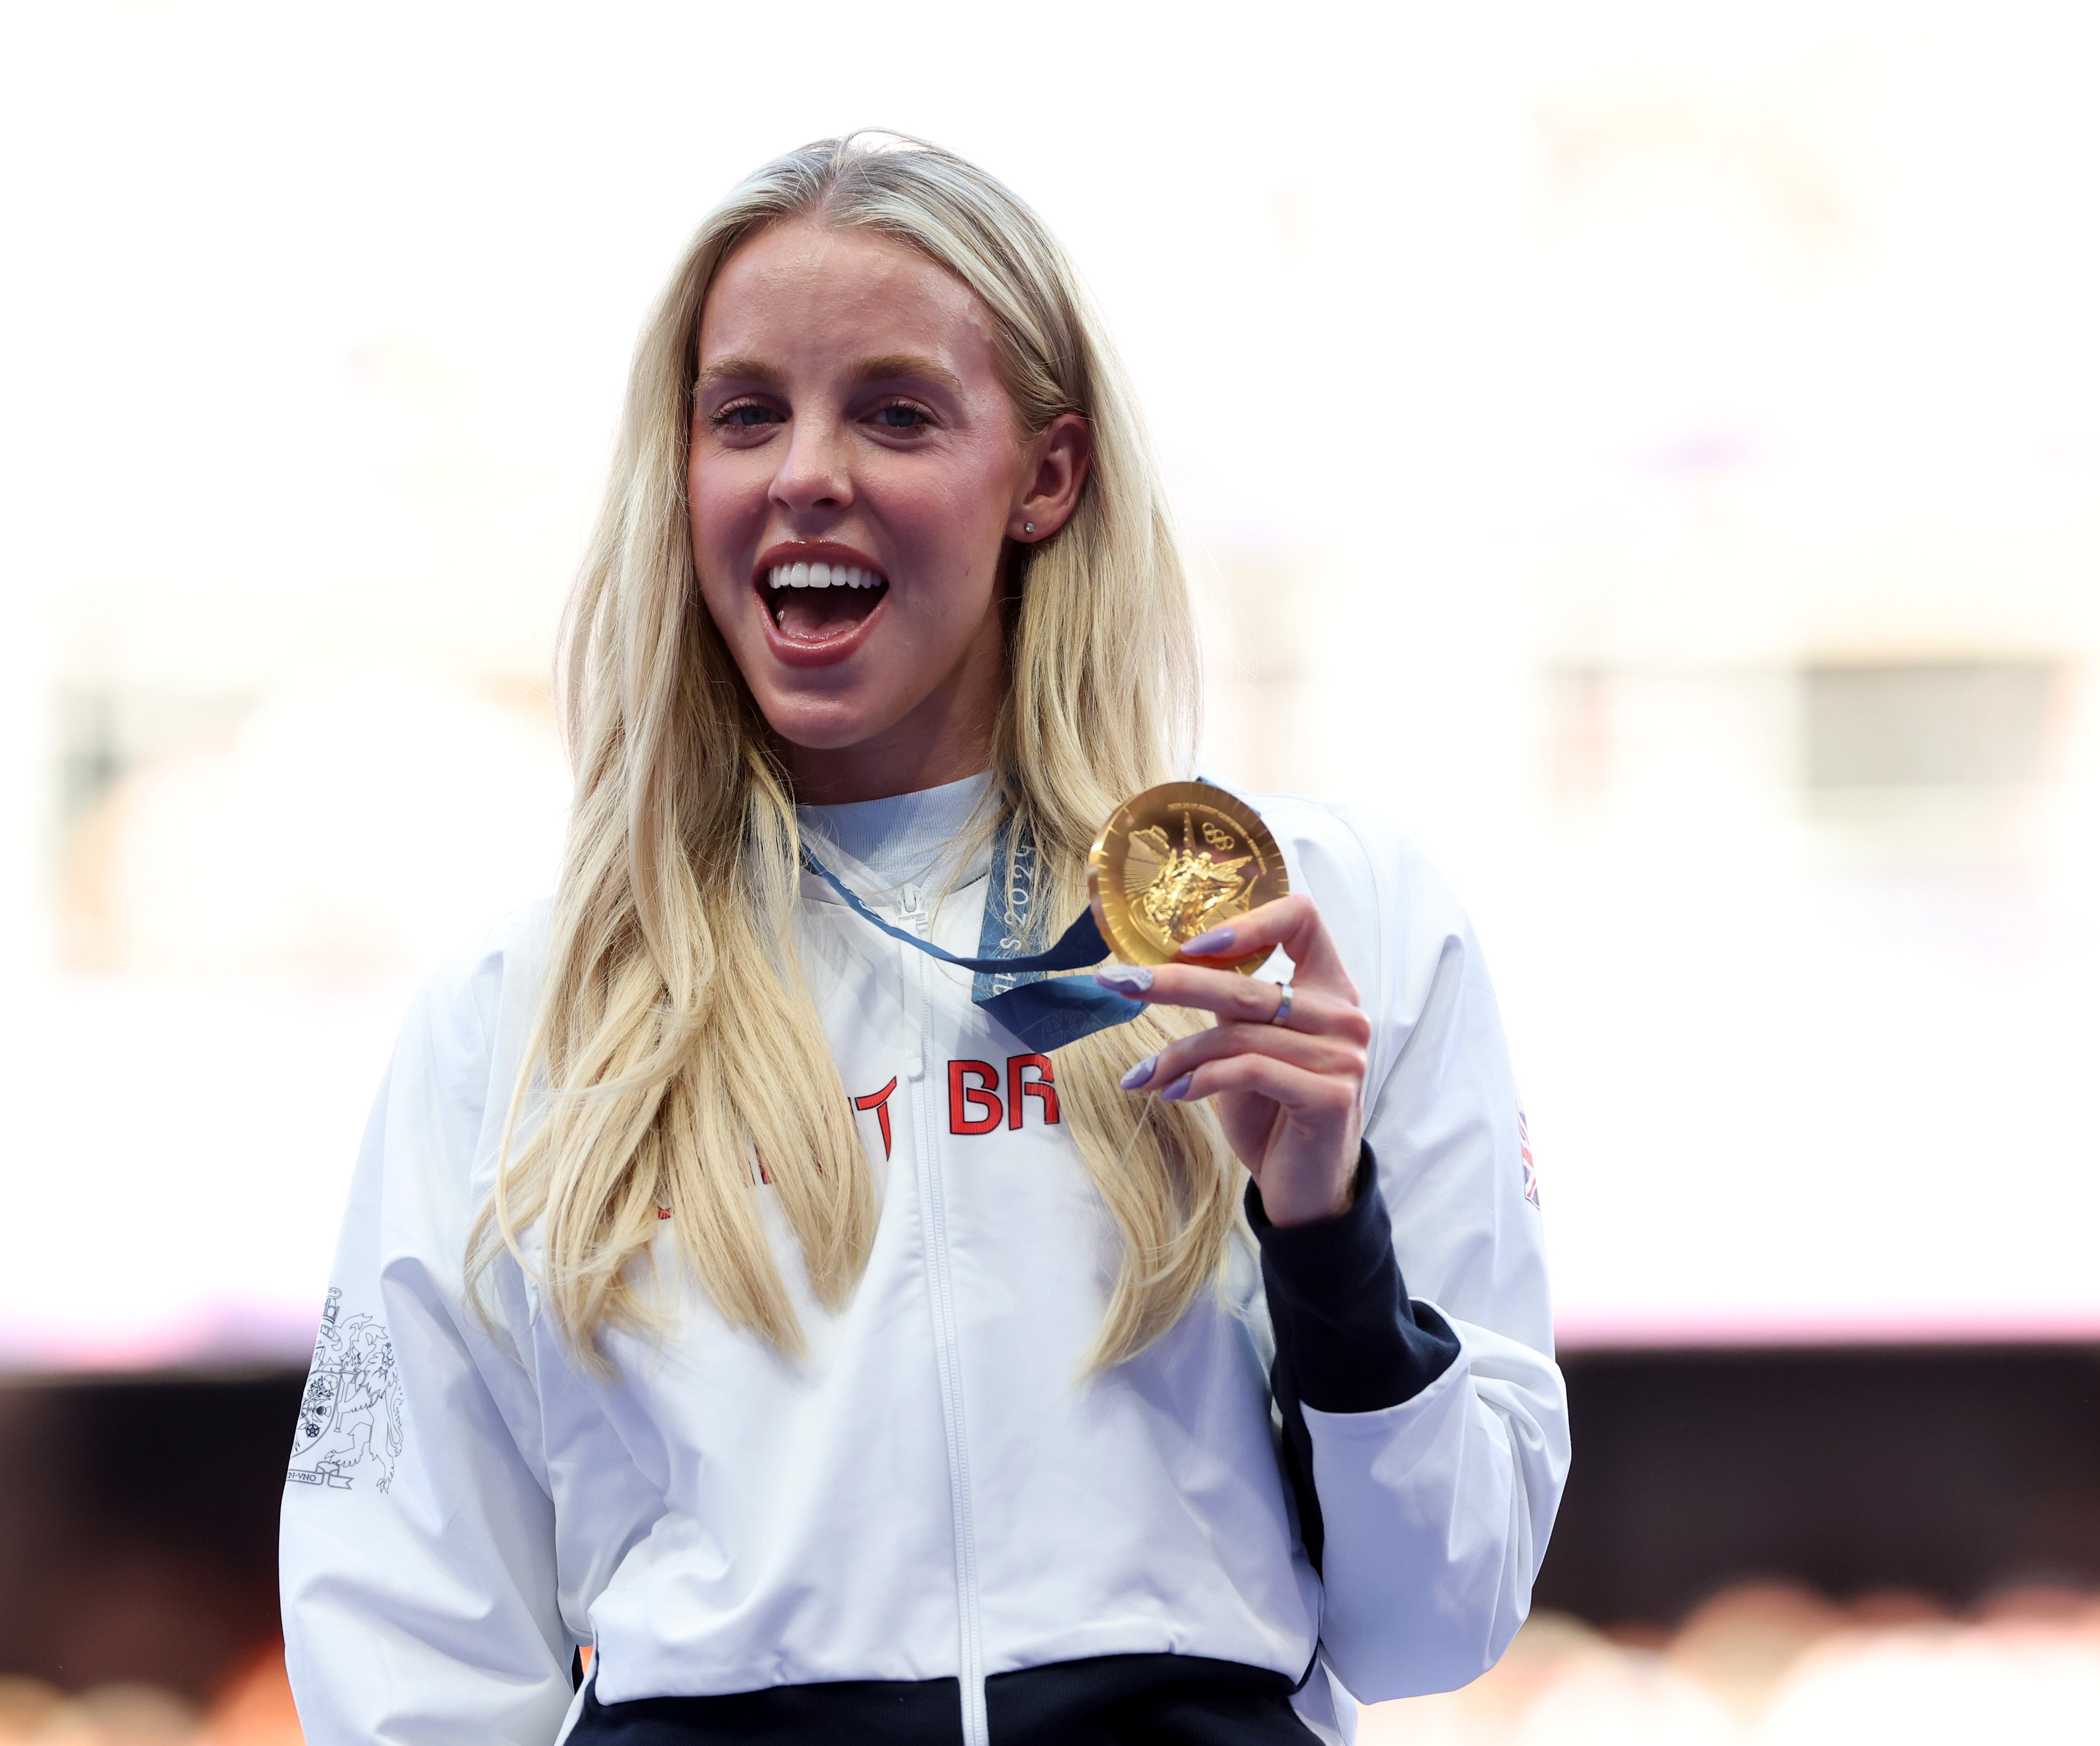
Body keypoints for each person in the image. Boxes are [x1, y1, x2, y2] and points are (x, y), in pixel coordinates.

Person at [277, 133, 1566, 1746]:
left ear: (1046, 475)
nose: (805, 469)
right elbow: (409, 1648)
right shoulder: (520, 1016)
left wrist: (1326, 1237)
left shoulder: (1306, 926)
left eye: (893, 411)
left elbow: (1436, 1619)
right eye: (745, 412)